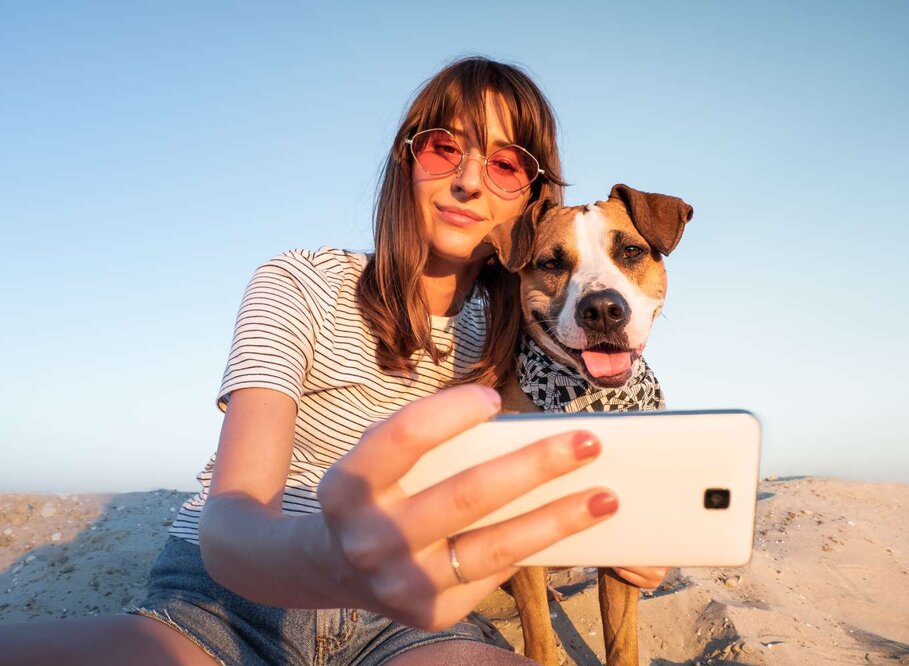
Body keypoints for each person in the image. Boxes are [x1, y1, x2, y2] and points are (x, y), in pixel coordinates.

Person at [0, 56, 666, 665]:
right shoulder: (299, 282)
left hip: (412, 617)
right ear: (406, 161)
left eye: (505, 163)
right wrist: (328, 558)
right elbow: (233, 517)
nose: (468, 180)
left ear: (535, 196)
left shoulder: (538, 325)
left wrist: (635, 539)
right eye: (444, 147)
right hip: (231, 599)